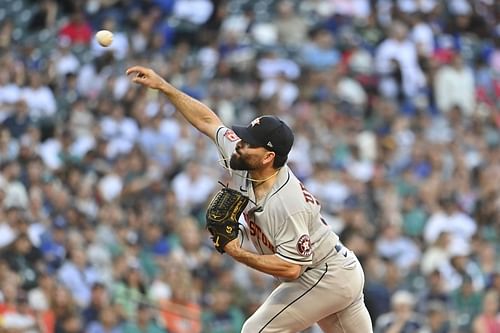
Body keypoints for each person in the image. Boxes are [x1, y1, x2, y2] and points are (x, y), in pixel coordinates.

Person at [126, 65, 373, 333]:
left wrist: (236, 251)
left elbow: (291, 269)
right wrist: (164, 86)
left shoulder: (287, 202)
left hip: (325, 274)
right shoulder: (246, 161)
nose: (240, 143)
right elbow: (208, 122)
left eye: (248, 141)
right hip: (336, 270)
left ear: (268, 157)